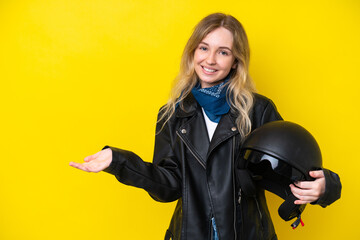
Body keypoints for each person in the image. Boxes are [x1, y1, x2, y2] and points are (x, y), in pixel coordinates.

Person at [69, 13, 341, 240]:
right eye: (203, 48)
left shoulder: (258, 109)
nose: (210, 60)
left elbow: (289, 168)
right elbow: (169, 185)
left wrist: (324, 186)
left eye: (223, 52)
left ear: (236, 61)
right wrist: (119, 161)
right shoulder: (172, 114)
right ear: (192, 52)